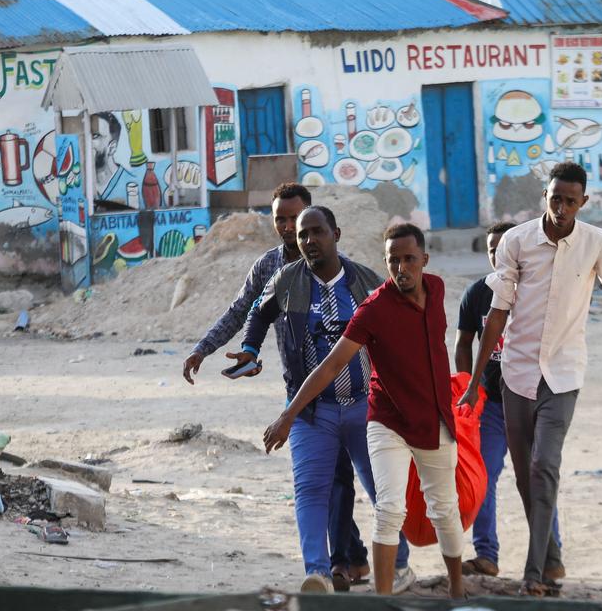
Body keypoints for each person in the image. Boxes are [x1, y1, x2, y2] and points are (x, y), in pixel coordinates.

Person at [458, 161, 602, 597]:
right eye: (555, 198)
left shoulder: (596, 243)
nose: (561, 207)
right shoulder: (517, 241)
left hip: (564, 374)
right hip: (516, 374)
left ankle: (534, 572)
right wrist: (474, 381)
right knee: (527, 476)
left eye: (570, 200)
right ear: (544, 197)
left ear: (582, 202)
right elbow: (497, 313)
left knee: (545, 465)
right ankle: (552, 559)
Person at [183, 186, 390, 590]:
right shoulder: (273, 269)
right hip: (304, 392)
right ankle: (332, 565)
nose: (290, 230)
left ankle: (354, 560)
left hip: (355, 397)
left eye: (298, 222)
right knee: (320, 481)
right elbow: (244, 312)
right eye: (283, 222)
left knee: (348, 481)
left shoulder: (358, 278)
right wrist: (220, 349)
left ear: (330, 230)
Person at [264, 223, 466, 599]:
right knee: (389, 509)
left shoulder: (436, 289)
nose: (402, 268)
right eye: (393, 260)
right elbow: (329, 365)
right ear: (385, 262)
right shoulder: (373, 309)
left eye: (409, 259)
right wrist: (289, 414)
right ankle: (382, 598)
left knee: (445, 511)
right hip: (386, 421)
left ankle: (457, 589)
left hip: (433, 419)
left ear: (425, 259)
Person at [235, 207, 412, 594]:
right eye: (303, 235)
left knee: (383, 488)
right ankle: (317, 572)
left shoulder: (366, 281)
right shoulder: (286, 279)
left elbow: (400, 333)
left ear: (337, 233)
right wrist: (249, 348)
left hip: (367, 407)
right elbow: (258, 314)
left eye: (317, 232)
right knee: (310, 490)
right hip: (311, 411)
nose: (309, 241)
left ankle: (399, 566)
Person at [454, 221, 560, 578]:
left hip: (532, 401)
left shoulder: (539, 291)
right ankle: (486, 555)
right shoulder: (476, 293)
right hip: (493, 407)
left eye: (504, 247)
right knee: (482, 476)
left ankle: (549, 557)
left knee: (536, 477)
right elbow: (462, 343)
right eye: (491, 249)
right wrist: (470, 387)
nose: (497, 255)